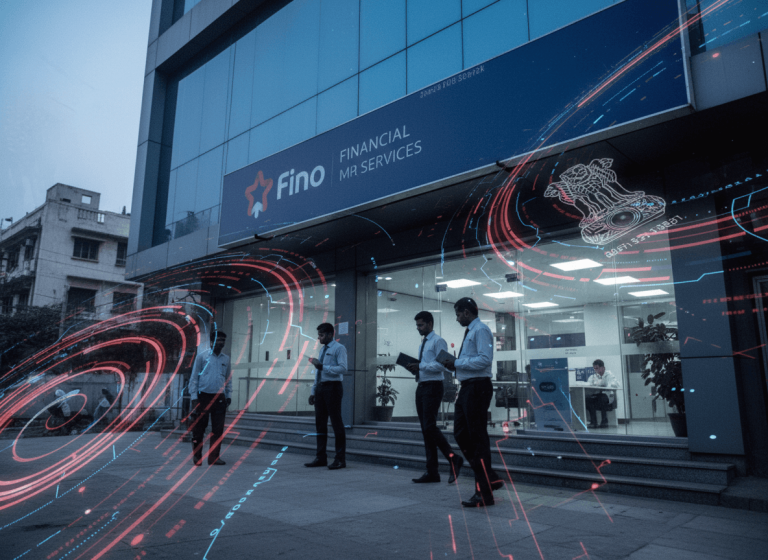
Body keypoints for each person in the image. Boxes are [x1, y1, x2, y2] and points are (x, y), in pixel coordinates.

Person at [438, 297, 503, 508]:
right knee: (460, 433)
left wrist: (457, 362)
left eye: (458, 314)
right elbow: (470, 362)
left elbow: (485, 359)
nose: (457, 319)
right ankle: (489, 476)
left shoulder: (480, 330)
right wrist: (453, 365)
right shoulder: (470, 333)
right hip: (468, 387)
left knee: (477, 440)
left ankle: (484, 492)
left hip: (478, 387)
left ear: (466, 312)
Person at [405, 311, 464, 484]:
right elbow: (427, 365)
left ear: (430, 324)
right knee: (426, 430)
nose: (418, 328)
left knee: (430, 427)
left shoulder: (438, 341)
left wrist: (421, 365)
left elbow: (443, 365)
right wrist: (415, 367)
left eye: (421, 325)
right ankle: (432, 472)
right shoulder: (423, 342)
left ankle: (454, 458)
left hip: (433, 387)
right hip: (422, 386)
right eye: (417, 325)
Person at [305, 323, 347, 470]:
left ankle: (340, 459)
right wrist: (313, 391)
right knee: (320, 424)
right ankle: (321, 457)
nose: (319, 338)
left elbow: (343, 368)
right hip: (321, 388)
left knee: (336, 423)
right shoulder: (323, 349)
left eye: (321, 335)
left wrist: (324, 367)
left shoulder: (339, 348)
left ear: (330, 334)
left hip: (333, 388)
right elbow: (318, 373)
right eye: (318, 335)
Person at [189, 331, 232, 466]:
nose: (221, 343)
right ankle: (197, 456)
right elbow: (194, 378)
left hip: (219, 398)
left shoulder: (226, 359)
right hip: (203, 397)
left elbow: (228, 379)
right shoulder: (202, 357)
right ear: (212, 341)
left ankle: (214, 457)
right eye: (218, 340)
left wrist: (229, 395)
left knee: (218, 430)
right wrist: (194, 397)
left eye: (223, 341)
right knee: (199, 429)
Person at [585, 359, 620, 429]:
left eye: (597, 368)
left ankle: (604, 421)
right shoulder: (594, 376)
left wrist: (604, 383)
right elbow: (589, 384)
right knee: (588, 400)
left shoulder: (609, 375)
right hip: (598, 395)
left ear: (603, 368)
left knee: (601, 398)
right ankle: (593, 422)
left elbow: (615, 384)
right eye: (594, 368)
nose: (595, 370)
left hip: (608, 395)